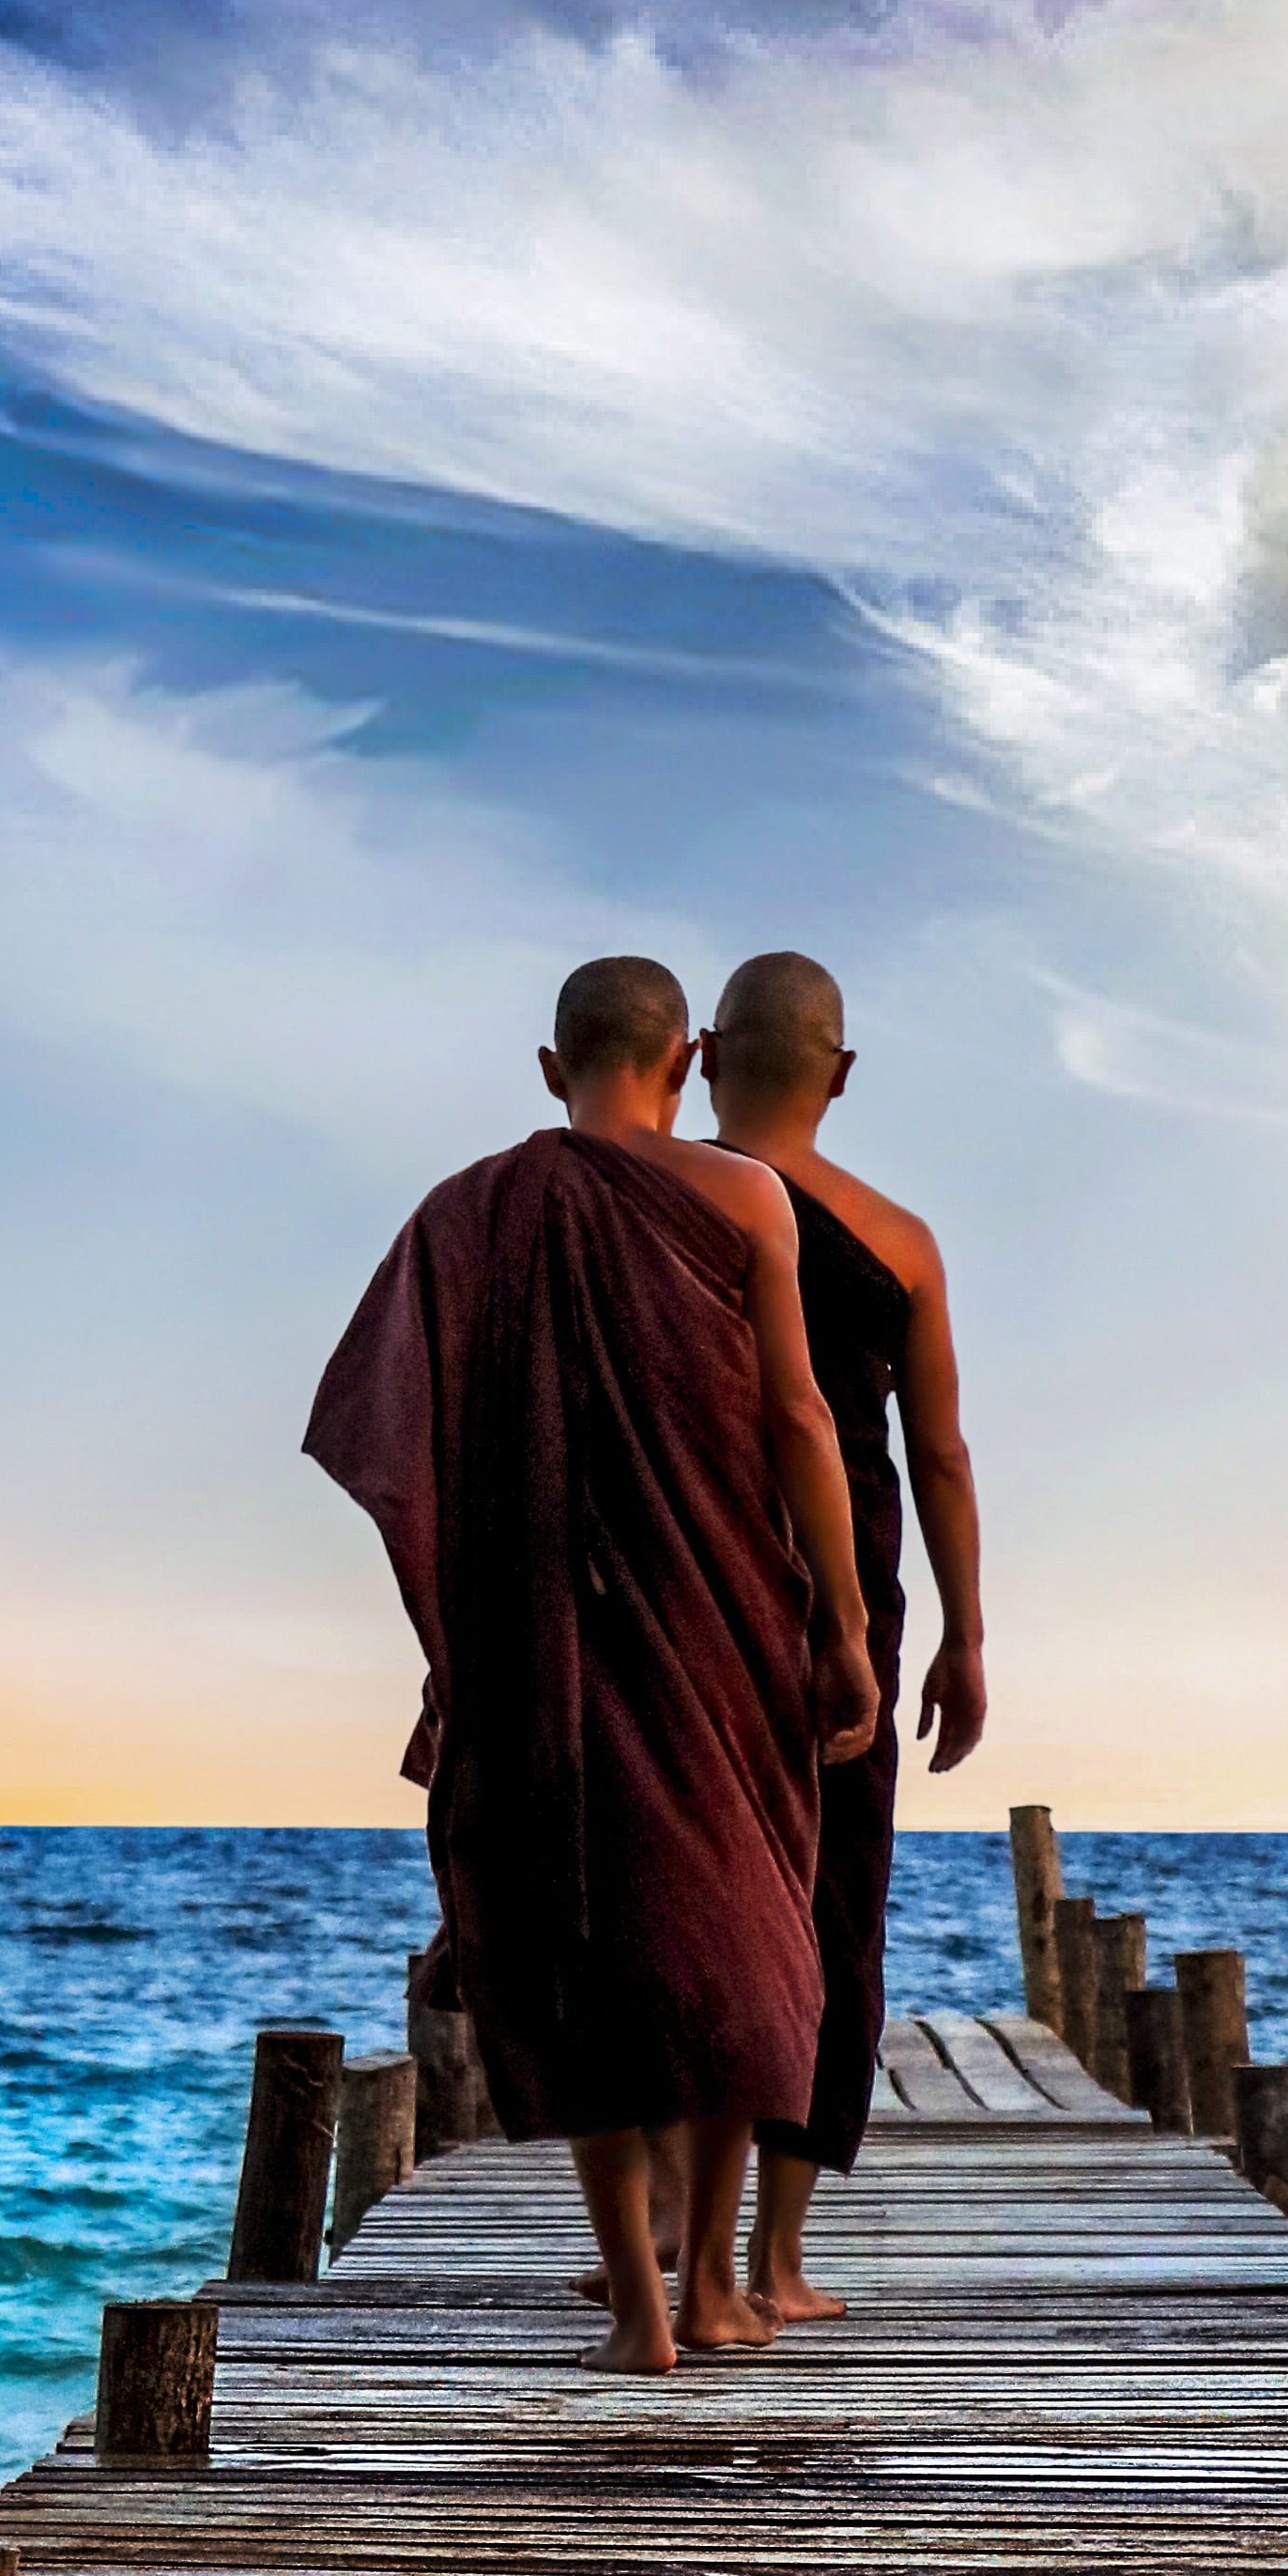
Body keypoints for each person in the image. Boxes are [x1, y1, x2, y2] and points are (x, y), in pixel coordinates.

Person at [305, 955, 883, 2373]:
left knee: (586, 1946)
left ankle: (639, 2307)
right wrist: (848, 1621)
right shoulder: (743, 1196)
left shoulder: (466, 1212)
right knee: (753, 1944)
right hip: (726, 1615)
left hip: (541, 1633)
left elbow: (396, 1445)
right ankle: (718, 2294)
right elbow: (802, 1421)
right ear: (686, 1058)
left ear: (552, 1066)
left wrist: (464, 1641)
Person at [696, 947, 987, 2329]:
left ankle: (652, 2240)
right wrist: (966, 1636)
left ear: (702, 1053)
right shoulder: (902, 1242)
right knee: (832, 1910)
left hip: (680, 1581)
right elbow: (936, 1454)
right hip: (844, 1600)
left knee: (678, 1895)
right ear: (842, 1072)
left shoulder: (657, 1203)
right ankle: (777, 2259)